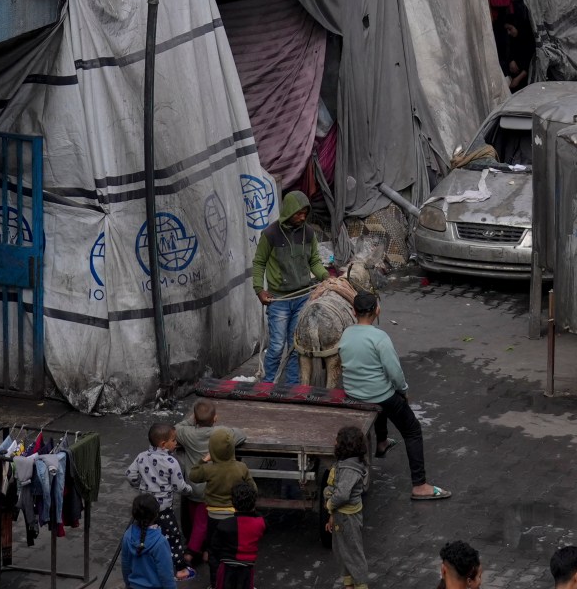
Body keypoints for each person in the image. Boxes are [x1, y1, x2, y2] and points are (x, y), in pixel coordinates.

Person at [338, 291, 450, 500]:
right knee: (412, 430)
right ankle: (420, 485)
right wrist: (404, 391)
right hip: (378, 395)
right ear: (377, 310)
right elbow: (395, 373)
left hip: (353, 393)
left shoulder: (346, 333)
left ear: (354, 312)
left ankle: (381, 442)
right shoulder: (380, 338)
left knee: (382, 400)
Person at [252, 190, 323, 384]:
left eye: (305, 213)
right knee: (275, 346)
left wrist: (327, 277)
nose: (302, 217)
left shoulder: (308, 233)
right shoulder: (270, 234)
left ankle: (291, 386)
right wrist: (259, 289)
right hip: (279, 300)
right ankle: (267, 386)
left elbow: (315, 261)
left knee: (294, 346)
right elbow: (259, 263)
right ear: (289, 211)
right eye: (298, 213)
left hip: (301, 298)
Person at [131, 422, 197, 569]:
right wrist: (189, 490)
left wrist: (140, 486)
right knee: (173, 536)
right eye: (173, 440)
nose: (176, 443)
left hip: (145, 507)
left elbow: (130, 475)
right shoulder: (171, 462)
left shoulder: (141, 457)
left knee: (145, 534)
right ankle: (179, 568)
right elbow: (178, 486)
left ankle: (147, 563)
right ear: (163, 444)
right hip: (164, 509)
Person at [193, 428, 255, 555]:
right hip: (234, 515)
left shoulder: (208, 469)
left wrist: (203, 460)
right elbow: (253, 489)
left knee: (214, 548)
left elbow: (193, 475)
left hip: (213, 515)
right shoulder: (241, 467)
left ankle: (214, 570)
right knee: (231, 547)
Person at [325, 427, 371, 589]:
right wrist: (332, 515)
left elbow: (342, 495)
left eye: (337, 441)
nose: (334, 443)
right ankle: (349, 584)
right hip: (341, 516)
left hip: (347, 518)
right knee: (342, 551)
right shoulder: (351, 464)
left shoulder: (349, 469)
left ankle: (360, 584)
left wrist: (330, 503)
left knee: (353, 553)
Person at [207, 481, 266, 589]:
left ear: (233, 504)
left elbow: (214, 552)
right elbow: (258, 516)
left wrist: (214, 580)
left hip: (226, 569)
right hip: (247, 568)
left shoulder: (224, 524)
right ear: (254, 504)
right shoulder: (260, 523)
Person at [121, 494, 182, 589]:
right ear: (156, 514)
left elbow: (125, 565)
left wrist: (128, 585)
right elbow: (166, 574)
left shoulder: (127, 536)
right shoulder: (160, 542)